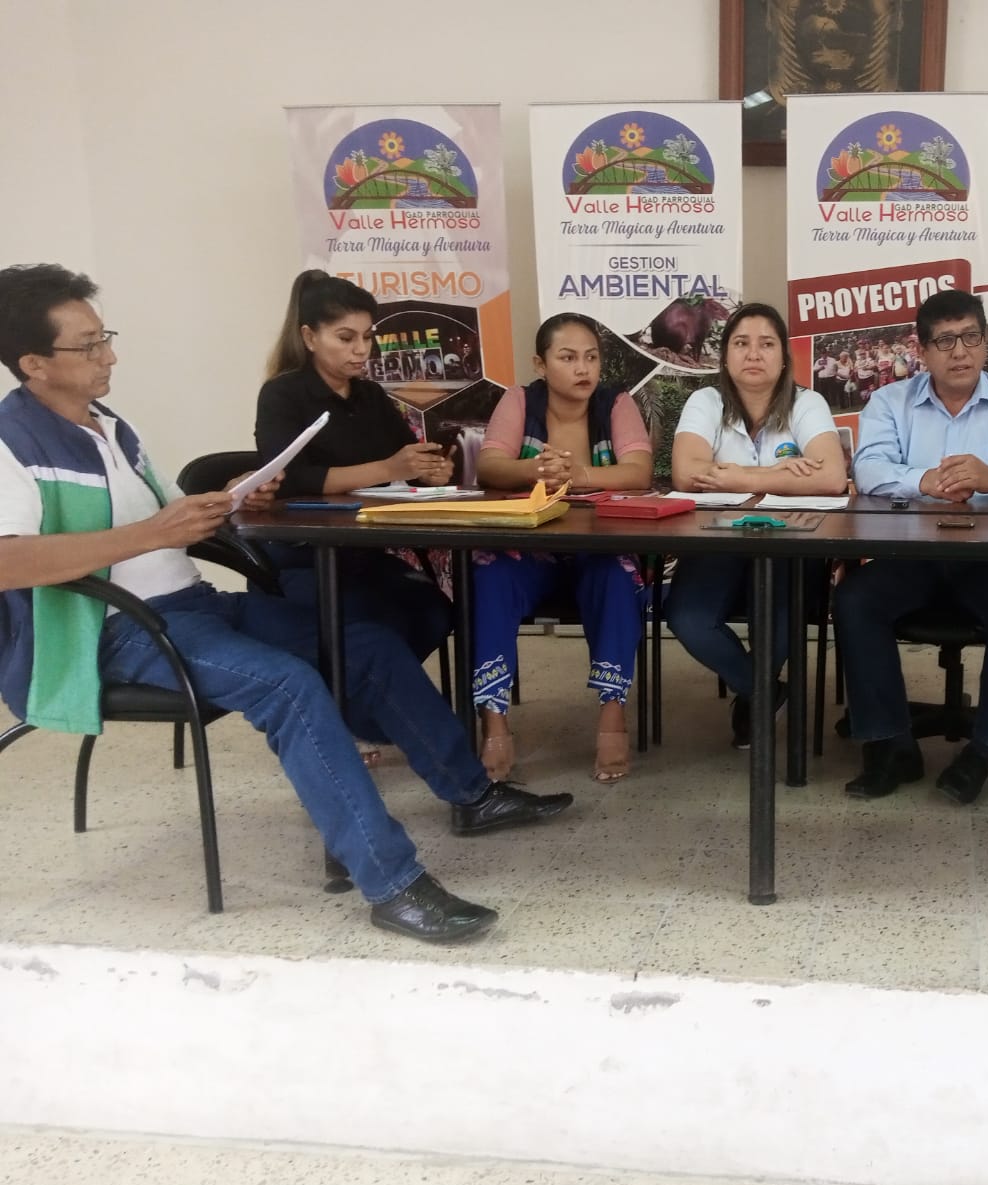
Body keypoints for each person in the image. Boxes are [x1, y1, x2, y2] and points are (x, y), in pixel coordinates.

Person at [0, 264, 573, 943]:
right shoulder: (12, 443)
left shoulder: (110, 426)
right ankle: (393, 885)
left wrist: (237, 496)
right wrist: (154, 532)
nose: (109, 356)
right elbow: (10, 562)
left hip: (192, 603)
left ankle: (472, 795)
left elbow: (165, 523)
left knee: (366, 644)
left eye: (106, 338)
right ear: (34, 363)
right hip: (117, 629)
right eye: (90, 345)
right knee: (289, 684)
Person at [836, 289, 988, 805]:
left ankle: (985, 751)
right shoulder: (889, 402)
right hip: (912, 555)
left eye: (971, 337)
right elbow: (869, 468)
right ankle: (891, 745)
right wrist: (923, 480)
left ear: (986, 341)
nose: (961, 351)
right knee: (855, 600)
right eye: (945, 341)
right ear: (922, 350)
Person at [470, 313, 653, 784]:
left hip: (598, 544)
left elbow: (638, 472)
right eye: (568, 358)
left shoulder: (616, 403)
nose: (582, 368)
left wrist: (580, 475)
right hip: (531, 549)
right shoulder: (520, 400)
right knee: (489, 572)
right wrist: (537, 471)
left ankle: (613, 711)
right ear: (541, 363)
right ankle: (494, 718)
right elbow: (490, 466)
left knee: (617, 573)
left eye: (591, 357)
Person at [667, 302, 847, 748]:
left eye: (766, 344)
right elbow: (687, 473)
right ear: (725, 355)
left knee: (782, 616)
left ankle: (752, 697)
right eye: (741, 343)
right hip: (717, 541)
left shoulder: (807, 403)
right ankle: (763, 690)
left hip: (792, 542)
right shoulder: (705, 402)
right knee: (688, 618)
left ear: (784, 357)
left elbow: (830, 477)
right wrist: (782, 476)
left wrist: (739, 477)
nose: (753, 354)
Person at [254, 270, 452, 664]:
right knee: (376, 628)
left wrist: (429, 470)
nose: (361, 350)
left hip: (363, 551)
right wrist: (387, 469)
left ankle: (366, 689)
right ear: (310, 337)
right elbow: (291, 479)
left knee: (435, 611)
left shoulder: (370, 394)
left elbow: (406, 458)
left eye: (368, 336)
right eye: (346, 338)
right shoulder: (282, 394)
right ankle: (360, 690)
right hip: (303, 556)